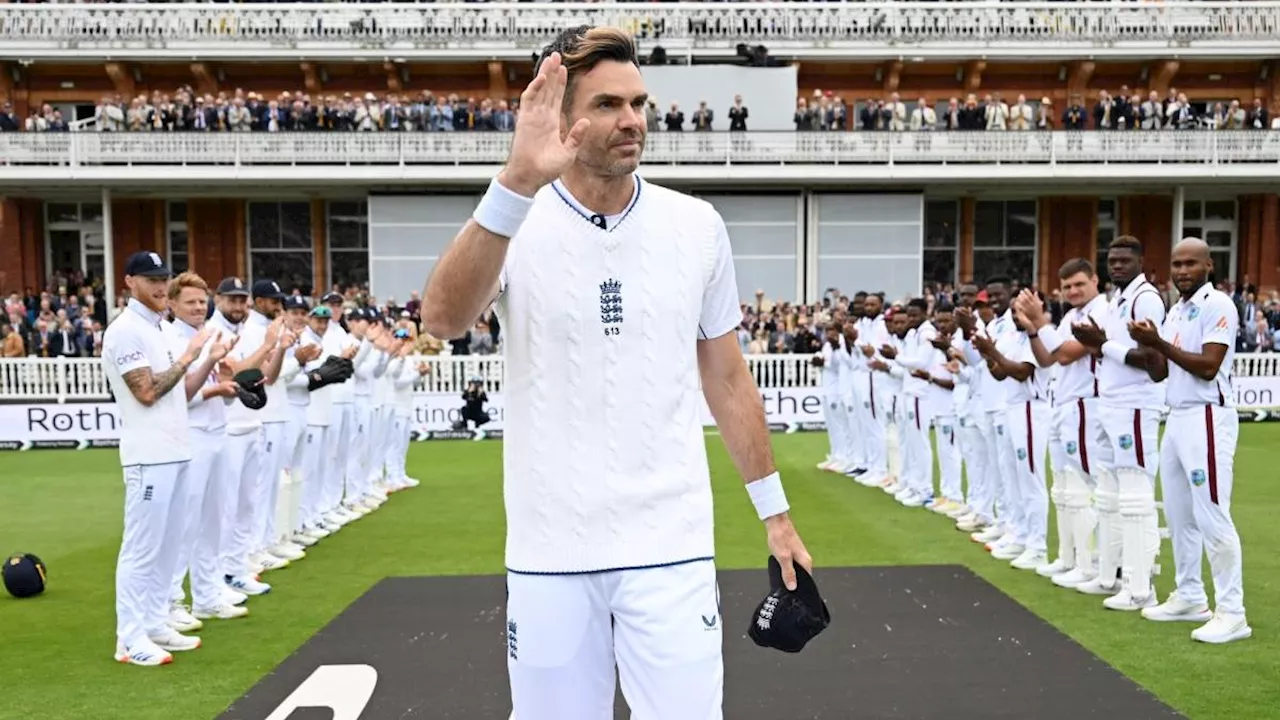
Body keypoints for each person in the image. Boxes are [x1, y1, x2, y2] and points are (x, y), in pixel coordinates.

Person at [420, 26, 812, 719]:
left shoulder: (695, 225)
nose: (632, 120)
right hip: (549, 546)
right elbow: (442, 321)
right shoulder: (514, 217)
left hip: (671, 542)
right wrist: (513, 183)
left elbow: (727, 380)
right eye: (607, 105)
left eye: (638, 102)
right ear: (563, 117)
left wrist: (776, 517)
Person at [1129, 237, 1250, 644]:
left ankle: (1232, 611)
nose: (1181, 271)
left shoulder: (1217, 305)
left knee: (1212, 513)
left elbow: (1209, 367)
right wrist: (1147, 346)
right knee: (1180, 515)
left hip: (1207, 417)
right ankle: (1189, 595)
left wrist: (1158, 342)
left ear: (1208, 266)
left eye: (1190, 264)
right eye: (1176, 264)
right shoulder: (1176, 310)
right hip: (1177, 417)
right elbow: (1161, 373)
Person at [101, 251, 209, 666]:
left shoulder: (160, 327)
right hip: (149, 455)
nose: (161, 286)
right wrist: (188, 357)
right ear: (130, 282)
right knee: (142, 548)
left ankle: (154, 621)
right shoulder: (125, 330)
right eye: (150, 279)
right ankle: (128, 638)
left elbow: (177, 392)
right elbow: (145, 392)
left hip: (176, 448)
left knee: (170, 543)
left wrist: (202, 360)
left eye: (163, 277)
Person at [1070, 236, 1166, 609]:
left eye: (1125, 260)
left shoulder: (1146, 299)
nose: (1117, 266)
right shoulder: (1117, 300)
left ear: (1141, 262)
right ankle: (1109, 575)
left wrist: (1102, 343)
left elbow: (1151, 357)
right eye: (1112, 260)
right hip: (1110, 402)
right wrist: (1095, 343)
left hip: (1135, 404)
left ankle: (1141, 587)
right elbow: (1108, 349)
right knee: (1108, 494)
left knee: (1135, 496)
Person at [1015, 259, 1110, 588]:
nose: (1073, 291)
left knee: (1094, 485)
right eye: (1067, 286)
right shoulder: (1072, 315)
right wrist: (1032, 328)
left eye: (1079, 284)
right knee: (1067, 488)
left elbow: (1068, 353)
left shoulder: (1103, 311)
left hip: (1086, 404)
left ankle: (1102, 562)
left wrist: (1041, 321)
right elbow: (1047, 358)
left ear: (1095, 280)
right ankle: (1073, 557)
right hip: (1064, 404)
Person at [163, 271, 248, 630]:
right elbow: (176, 395)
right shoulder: (169, 338)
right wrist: (215, 386)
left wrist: (225, 385)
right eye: (191, 303)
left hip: (216, 430)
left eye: (202, 302)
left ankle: (207, 595)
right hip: (190, 435)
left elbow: (217, 387)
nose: (198, 308)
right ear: (172, 305)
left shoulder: (211, 335)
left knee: (214, 519)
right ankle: (170, 600)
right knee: (185, 523)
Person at [207, 277, 280, 597]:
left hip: (252, 425)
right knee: (226, 507)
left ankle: (237, 569)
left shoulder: (248, 331)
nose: (237, 306)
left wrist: (278, 348)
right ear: (218, 299)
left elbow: (266, 375)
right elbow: (233, 372)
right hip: (228, 429)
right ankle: (221, 573)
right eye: (231, 300)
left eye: (241, 300)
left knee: (247, 505)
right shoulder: (214, 331)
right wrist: (266, 345)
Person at [973, 290, 1052, 570]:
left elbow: (1022, 372)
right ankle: (1020, 534)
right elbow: (999, 372)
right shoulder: (1015, 337)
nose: (1017, 316)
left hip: (1032, 407)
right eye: (1015, 311)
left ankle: (1038, 545)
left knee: (1031, 478)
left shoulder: (1039, 336)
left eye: (1022, 309)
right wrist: (987, 353)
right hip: (1014, 408)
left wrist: (992, 351)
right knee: (1015, 477)